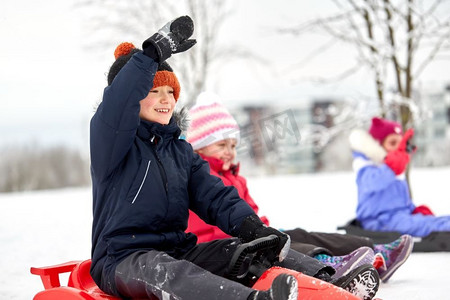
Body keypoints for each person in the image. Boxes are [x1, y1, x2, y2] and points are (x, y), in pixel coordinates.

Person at [89, 16, 377, 300]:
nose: (166, 100)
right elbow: (118, 104)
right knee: (168, 272)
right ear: (132, 98)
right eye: (154, 91)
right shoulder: (113, 143)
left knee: (244, 253)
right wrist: (151, 54)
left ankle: (330, 281)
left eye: (171, 91)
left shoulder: (179, 151)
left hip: (177, 248)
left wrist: (252, 228)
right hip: (123, 258)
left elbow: (214, 196)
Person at [185, 92, 412, 284]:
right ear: (198, 148)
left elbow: (251, 213)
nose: (229, 151)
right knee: (282, 248)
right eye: (221, 145)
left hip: (252, 237)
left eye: (233, 145)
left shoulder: (235, 177)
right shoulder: (199, 181)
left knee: (298, 234)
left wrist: (263, 228)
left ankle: (373, 251)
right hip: (224, 248)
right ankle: (327, 264)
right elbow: (205, 229)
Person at [349, 117, 450, 239]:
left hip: (399, 218)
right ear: (378, 145)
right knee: (427, 225)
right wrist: (392, 166)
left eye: (400, 143)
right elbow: (372, 183)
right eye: (392, 143)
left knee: (435, 220)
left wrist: (413, 210)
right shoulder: (367, 167)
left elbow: (400, 201)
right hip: (379, 222)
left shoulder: (394, 168)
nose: (397, 147)